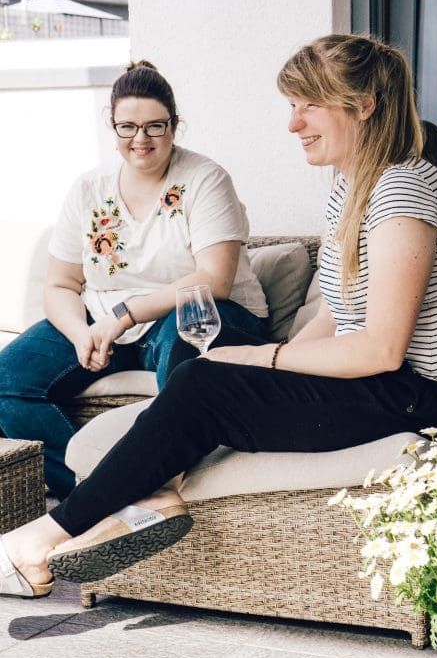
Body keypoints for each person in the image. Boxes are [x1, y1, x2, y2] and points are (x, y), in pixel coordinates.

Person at [0, 34, 437, 599]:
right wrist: (269, 368)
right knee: (204, 367)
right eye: (292, 106)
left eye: (308, 105)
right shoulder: (352, 185)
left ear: (363, 106)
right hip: (391, 386)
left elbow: (381, 348)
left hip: (431, 400)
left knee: (206, 380)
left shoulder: (403, 189)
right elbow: (336, 308)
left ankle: (38, 541)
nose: (293, 124)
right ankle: (153, 489)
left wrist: (261, 356)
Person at [0, 61, 268, 501]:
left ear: (175, 126)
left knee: (184, 364)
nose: (140, 139)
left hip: (205, 314)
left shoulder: (205, 179)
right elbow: (61, 283)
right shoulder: (88, 189)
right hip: (105, 320)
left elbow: (213, 280)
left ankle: (133, 484)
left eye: (154, 126)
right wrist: (81, 332)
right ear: (113, 125)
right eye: (127, 126)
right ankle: (104, 491)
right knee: (7, 379)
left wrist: (122, 318)